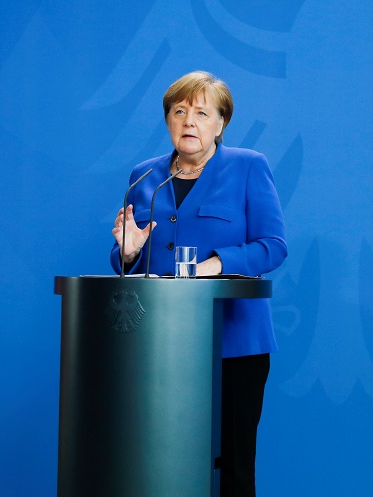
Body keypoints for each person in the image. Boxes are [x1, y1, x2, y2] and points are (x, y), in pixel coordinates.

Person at [110, 70, 287, 496]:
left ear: (220, 124)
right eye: (179, 111)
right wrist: (129, 253)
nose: (189, 121)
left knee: (232, 464)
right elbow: (127, 262)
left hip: (234, 343)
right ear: (168, 120)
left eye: (202, 113)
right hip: (158, 343)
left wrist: (214, 265)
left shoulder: (248, 166)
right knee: (159, 459)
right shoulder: (143, 177)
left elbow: (273, 246)